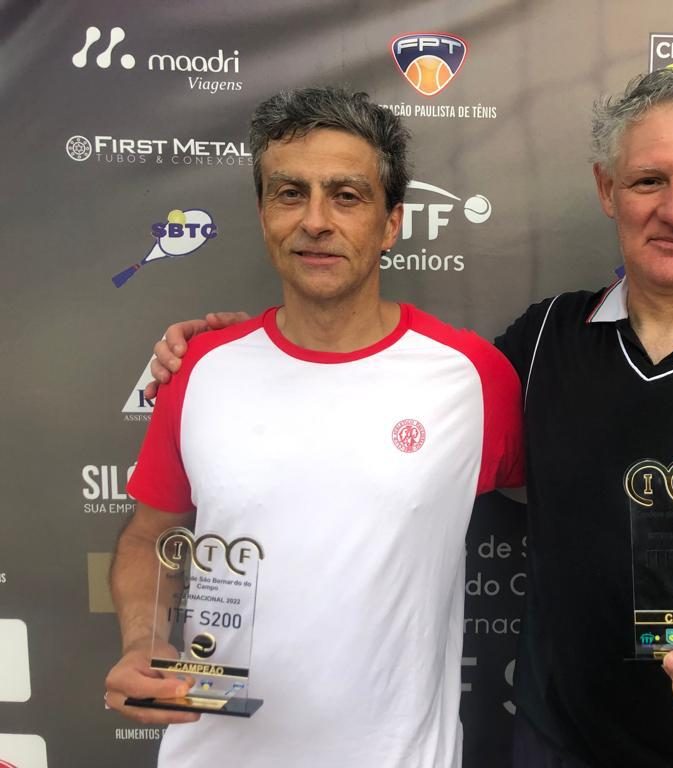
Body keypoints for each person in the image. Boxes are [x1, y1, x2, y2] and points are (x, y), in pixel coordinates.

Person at [146, 68, 673, 768]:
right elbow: (370, 388)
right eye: (649, 181)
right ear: (607, 190)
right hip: (556, 751)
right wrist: (238, 352)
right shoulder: (539, 346)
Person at [104, 86, 523, 768]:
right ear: (264, 213)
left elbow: (574, 513)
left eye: (347, 196)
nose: (316, 221)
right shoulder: (199, 367)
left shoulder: (472, 377)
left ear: (391, 223)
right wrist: (143, 642)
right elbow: (150, 536)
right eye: (290, 193)